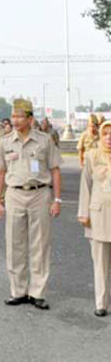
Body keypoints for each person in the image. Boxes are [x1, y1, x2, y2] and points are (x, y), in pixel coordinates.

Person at [0, 98, 62, 310]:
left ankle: (37, 292)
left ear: (30, 119)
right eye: (13, 116)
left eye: (20, 116)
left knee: (39, 244)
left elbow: (55, 170)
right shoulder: (5, 141)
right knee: (15, 244)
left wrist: (57, 199)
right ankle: (18, 291)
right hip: (14, 195)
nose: (15, 120)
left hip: (39, 194)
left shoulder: (44, 140)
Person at [78, 119, 111, 317]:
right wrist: (84, 213)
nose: (109, 138)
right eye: (105, 134)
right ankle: (101, 302)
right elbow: (86, 186)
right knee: (100, 261)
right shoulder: (92, 156)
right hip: (99, 214)